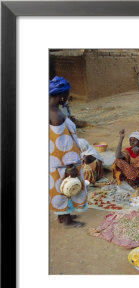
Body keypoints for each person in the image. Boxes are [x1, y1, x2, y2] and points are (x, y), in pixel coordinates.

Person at [49, 76, 87, 227]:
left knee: (59, 187)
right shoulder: (56, 115)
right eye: (67, 95)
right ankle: (67, 221)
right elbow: (64, 145)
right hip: (64, 162)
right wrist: (71, 166)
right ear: (61, 95)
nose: (67, 98)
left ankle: (61, 217)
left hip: (54, 161)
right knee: (66, 189)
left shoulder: (51, 110)